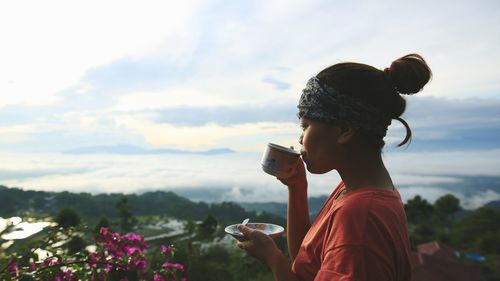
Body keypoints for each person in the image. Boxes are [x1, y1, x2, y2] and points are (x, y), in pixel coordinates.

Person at [236, 54, 432, 281]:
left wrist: (273, 258)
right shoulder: (354, 191)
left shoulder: (360, 216)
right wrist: (297, 188)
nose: (301, 138)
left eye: (306, 125)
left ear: (344, 130)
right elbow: (309, 259)